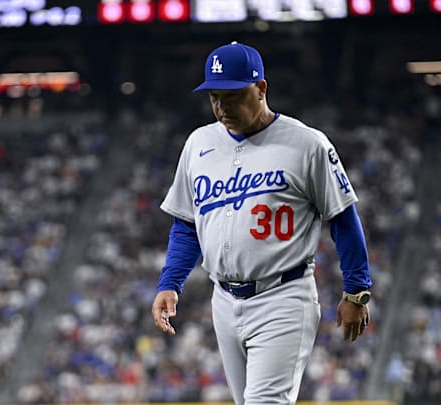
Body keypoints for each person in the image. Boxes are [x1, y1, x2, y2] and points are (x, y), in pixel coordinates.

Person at [151, 41, 373, 405]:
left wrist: (356, 291)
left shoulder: (306, 144)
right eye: (214, 97)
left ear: (261, 89)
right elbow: (187, 224)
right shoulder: (198, 143)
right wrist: (169, 282)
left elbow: (343, 218)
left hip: (283, 297)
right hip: (222, 298)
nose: (222, 107)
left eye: (232, 96)